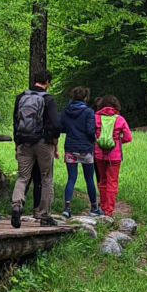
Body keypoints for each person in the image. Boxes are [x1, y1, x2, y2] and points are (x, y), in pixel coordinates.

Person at [10, 70, 61, 228]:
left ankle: (16, 205)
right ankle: (44, 215)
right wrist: (54, 141)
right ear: (48, 82)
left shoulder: (21, 97)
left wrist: (17, 144)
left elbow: (15, 122)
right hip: (43, 143)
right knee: (46, 178)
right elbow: (56, 124)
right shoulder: (48, 99)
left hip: (24, 142)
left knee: (23, 177)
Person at [59, 86, 100, 218]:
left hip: (70, 147)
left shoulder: (66, 110)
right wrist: (93, 140)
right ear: (85, 98)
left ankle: (67, 208)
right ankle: (94, 207)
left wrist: (70, 130)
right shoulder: (88, 111)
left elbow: (60, 127)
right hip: (85, 149)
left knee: (71, 178)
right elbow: (90, 130)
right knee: (89, 179)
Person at [93, 95, 132, 217]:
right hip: (114, 156)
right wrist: (116, 142)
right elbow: (128, 137)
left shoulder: (95, 118)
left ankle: (102, 207)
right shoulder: (120, 119)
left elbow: (90, 133)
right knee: (112, 182)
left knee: (102, 180)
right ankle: (109, 211)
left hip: (99, 154)